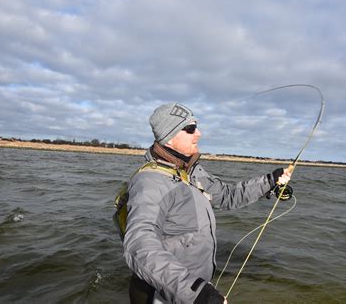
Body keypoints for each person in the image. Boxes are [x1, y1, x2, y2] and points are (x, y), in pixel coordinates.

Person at [122, 103, 291, 304]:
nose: (199, 133)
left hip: (195, 289)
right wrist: (197, 293)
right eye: (190, 129)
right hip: (169, 295)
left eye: (196, 127)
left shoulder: (192, 172)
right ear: (169, 137)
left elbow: (228, 196)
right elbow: (138, 245)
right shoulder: (150, 182)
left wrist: (269, 181)